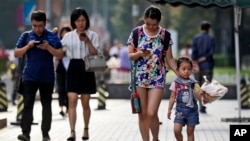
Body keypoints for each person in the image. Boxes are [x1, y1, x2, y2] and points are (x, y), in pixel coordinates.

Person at [127, 5, 177, 141]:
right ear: (144, 19)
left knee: (151, 112)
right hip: (139, 78)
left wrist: (180, 73)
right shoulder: (136, 33)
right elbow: (130, 56)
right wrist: (138, 53)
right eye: (148, 23)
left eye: (154, 24)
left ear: (159, 22)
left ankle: (155, 138)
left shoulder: (165, 35)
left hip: (157, 78)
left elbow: (170, 58)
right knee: (142, 114)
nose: (150, 27)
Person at [14, 10, 63, 141]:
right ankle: (25, 133)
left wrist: (48, 48)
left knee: (46, 105)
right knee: (28, 104)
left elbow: (60, 54)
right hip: (29, 76)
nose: (37, 29)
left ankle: (45, 134)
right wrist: (28, 47)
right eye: (34, 26)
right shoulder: (26, 36)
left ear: (45, 23)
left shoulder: (52, 36)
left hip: (47, 77)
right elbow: (16, 53)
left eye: (40, 26)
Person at [61, 7, 100, 141]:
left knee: (85, 102)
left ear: (86, 21)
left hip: (87, 67)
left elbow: (95, 53)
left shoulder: (93, 35)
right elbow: (60, 49)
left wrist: (87, 41)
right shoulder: (68, 36)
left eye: (83, 20)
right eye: (77, 21)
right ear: (73, 22)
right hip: (73, 67)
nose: (80, 23)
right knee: (72, 100)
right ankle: (72, 131)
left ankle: (86, 129)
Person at [167, 57, 204, 141]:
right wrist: (169, 109)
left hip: (192, 112)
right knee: (176, 130)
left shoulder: (194, 83)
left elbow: (198, 98)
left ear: (191, 70)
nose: (186, 71)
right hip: (180, 112)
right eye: (183, 69)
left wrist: (200, 93)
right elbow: (172, 97)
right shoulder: (176, 83)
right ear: (178, 69)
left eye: (189, 69)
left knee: (190, 132)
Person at [191, 20, 215, 113]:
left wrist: (196, 63)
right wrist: (203, 59)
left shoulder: (196, 38)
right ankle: (203, 106)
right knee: (206, 86)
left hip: (197, 66)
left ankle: (198, 103)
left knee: (198, 86)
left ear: (201, 28)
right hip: (208, 66)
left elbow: (193, 53)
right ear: (208, 29)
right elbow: (211, 52)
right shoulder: (211, 39)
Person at [54, 26, 71, 117]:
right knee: (60, 89)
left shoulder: (72, 43)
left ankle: (68, 108)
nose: (65, 34)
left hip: (70, 68)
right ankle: (61, 108)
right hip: (60, 68)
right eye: (63, 33)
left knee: (68, 88)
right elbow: (56, 56)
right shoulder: (58, 43)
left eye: (67, 33)